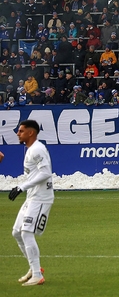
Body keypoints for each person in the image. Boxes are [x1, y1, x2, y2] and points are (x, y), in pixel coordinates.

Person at [4, 119, 54, 286]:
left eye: (21, 131)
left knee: (26, 232)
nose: (18, 134)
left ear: (31, 132)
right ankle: (34, 268)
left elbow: (46, 173)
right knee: (16, 233)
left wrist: (21, 187)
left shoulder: (37, 149)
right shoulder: (31, 150)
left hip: (41, 197)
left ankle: (38, 275)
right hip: (32, 197)